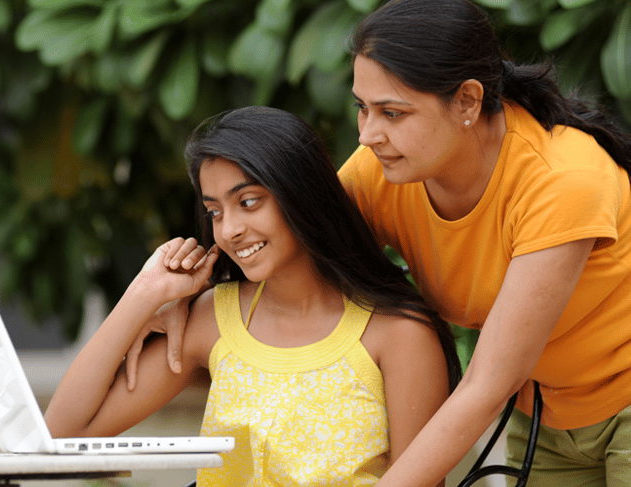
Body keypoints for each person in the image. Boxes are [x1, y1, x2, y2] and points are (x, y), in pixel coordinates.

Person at [126, 1, 631, 485]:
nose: (367, 135)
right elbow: (292, 244)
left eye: (392, 113)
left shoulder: (562, 182)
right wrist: (183, 294)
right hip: (548, 414)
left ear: (468, 101)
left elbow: (484, 387)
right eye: (362, 109)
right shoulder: (387, 172)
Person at [45, 106, 461, 486]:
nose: (229, 230)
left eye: (248, 202)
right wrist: (143, 295)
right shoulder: (214, 319)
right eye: (215, 211)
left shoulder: (398, 333)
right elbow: (59, 437)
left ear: (301, 194)